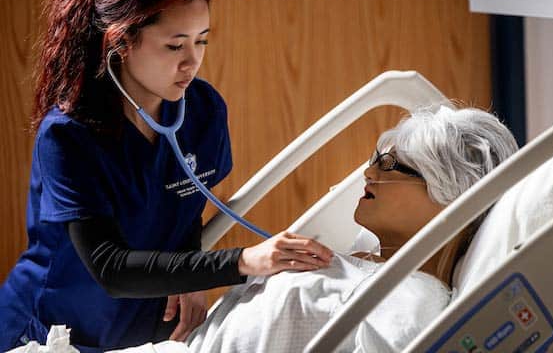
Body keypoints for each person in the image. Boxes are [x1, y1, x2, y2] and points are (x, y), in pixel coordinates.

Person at [0, 0, 333, 351]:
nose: (192, 61)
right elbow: (110, 267)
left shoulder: (203, 110)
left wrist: (190, 274)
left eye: (201, 40)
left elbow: (185, 205)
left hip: (145, 326)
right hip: (53, 328)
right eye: (175, 45)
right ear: (121, 42)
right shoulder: (69, 135)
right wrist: (243, 261)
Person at [178, 105, 519, 352]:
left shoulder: (411, 301)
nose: (369, 174)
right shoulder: (373, 268)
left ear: (450, 194)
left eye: (390, 165)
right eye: (375, 160)